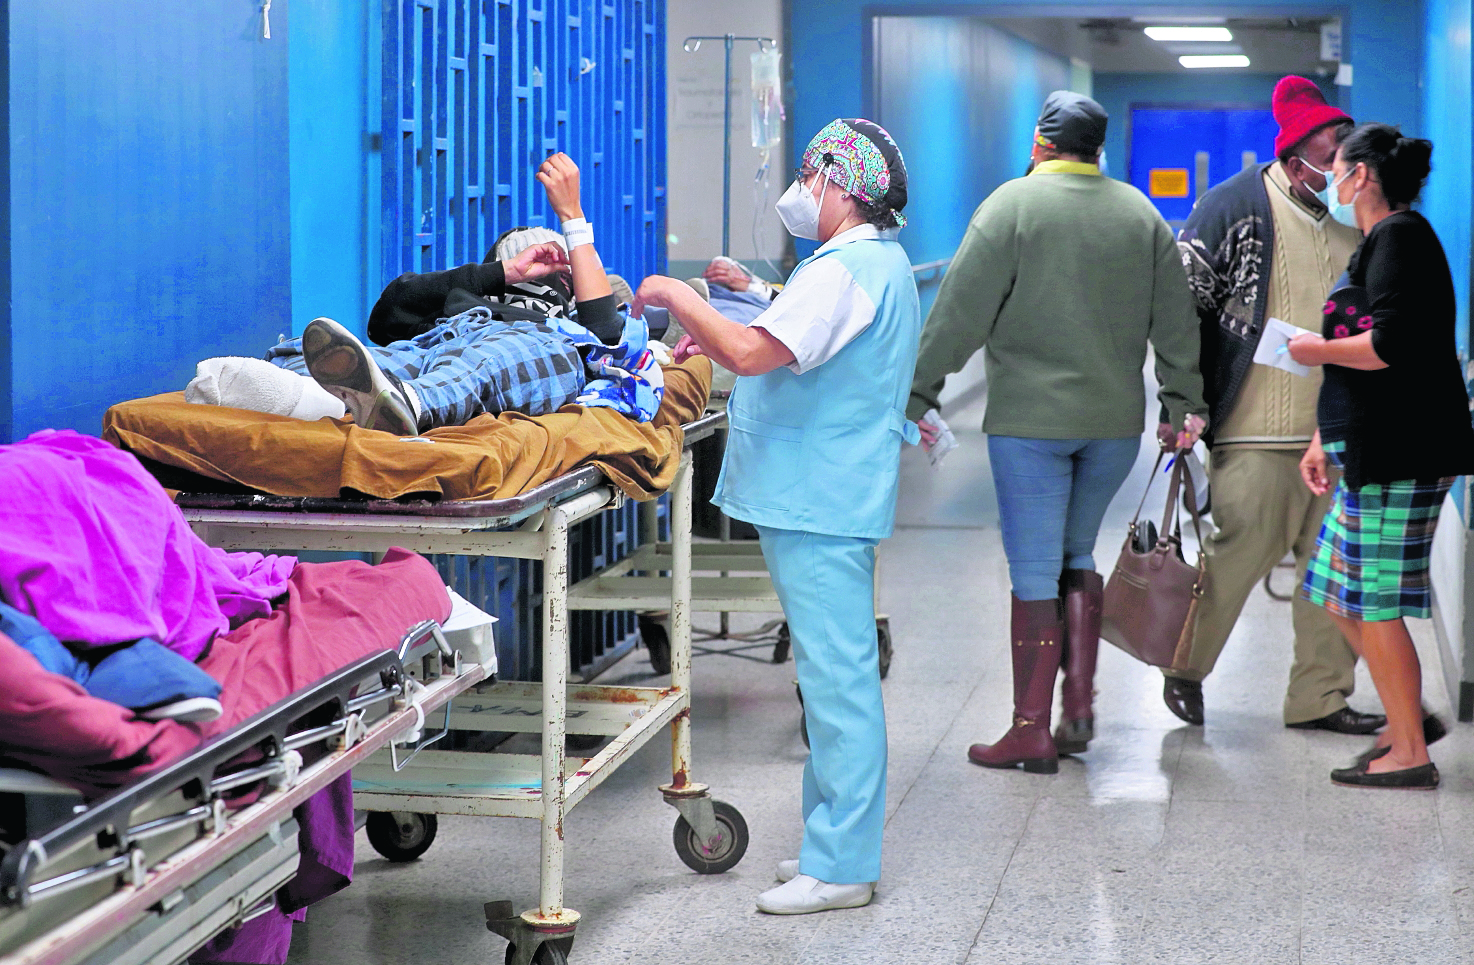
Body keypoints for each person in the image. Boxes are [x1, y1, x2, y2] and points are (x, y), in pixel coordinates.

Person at [631, 118, 918, 915]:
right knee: (830, 680)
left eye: (808, 175)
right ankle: (831, 841)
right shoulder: (866, 263)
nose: (800, 190)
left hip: (821, 498)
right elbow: (807, 328)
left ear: (842, 185)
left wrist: (681, 297)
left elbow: (755, 354)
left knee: (839, 686)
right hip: (828, 492)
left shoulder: (846, 269)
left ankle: (847, 863)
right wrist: (754, 298)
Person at [908, 91, 1207, 771]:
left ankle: (1030, 727)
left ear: (1040, 143)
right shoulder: (1141, 215)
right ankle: (1079, 707)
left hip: (1029, 426)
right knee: (1079, 554)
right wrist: (1181, 402)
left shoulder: (1009, 207)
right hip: (1112, 426)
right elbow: (1177, 324)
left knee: (1035, 569)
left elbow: (959, 316)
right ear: (1097, 149)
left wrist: (918, 392)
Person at [1166, 75, 1389, 737]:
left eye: (1346, 152)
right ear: (1296, 155)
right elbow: (1181, 310)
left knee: (1331, 570)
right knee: (1238, 554)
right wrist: (1183, 404)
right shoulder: (1231, 206)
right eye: (1330, 152)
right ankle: (1184, 665)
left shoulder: (1357, 228)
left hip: (1335, 435)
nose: (1341, 165)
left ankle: (1319, 696)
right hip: (1253, 431)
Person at [1287, 124, 1474, 789]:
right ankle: (1406, 723)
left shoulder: (1400, 237)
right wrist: (1321, 437)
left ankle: (1410, 751)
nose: (1329, 179)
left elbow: (1387, 347)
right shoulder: (1377, 243)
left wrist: (1312, 349)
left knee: (1374, 601)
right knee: (1333, 589)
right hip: (1368, 442)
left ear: (1360, 174)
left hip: (1404, 448)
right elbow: (1360, 356)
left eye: (1336, 167)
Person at [266, 155, 663, 435]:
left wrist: (572, 218)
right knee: (373, 359)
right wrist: (503, 273)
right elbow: (388, 314)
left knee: (485, 359)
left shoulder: (569, 328)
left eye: (564, 266)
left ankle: (411, 405)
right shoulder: (468, 303)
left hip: (537, 343)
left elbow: (607, 337)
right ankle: (275, 390)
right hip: (444, 338)